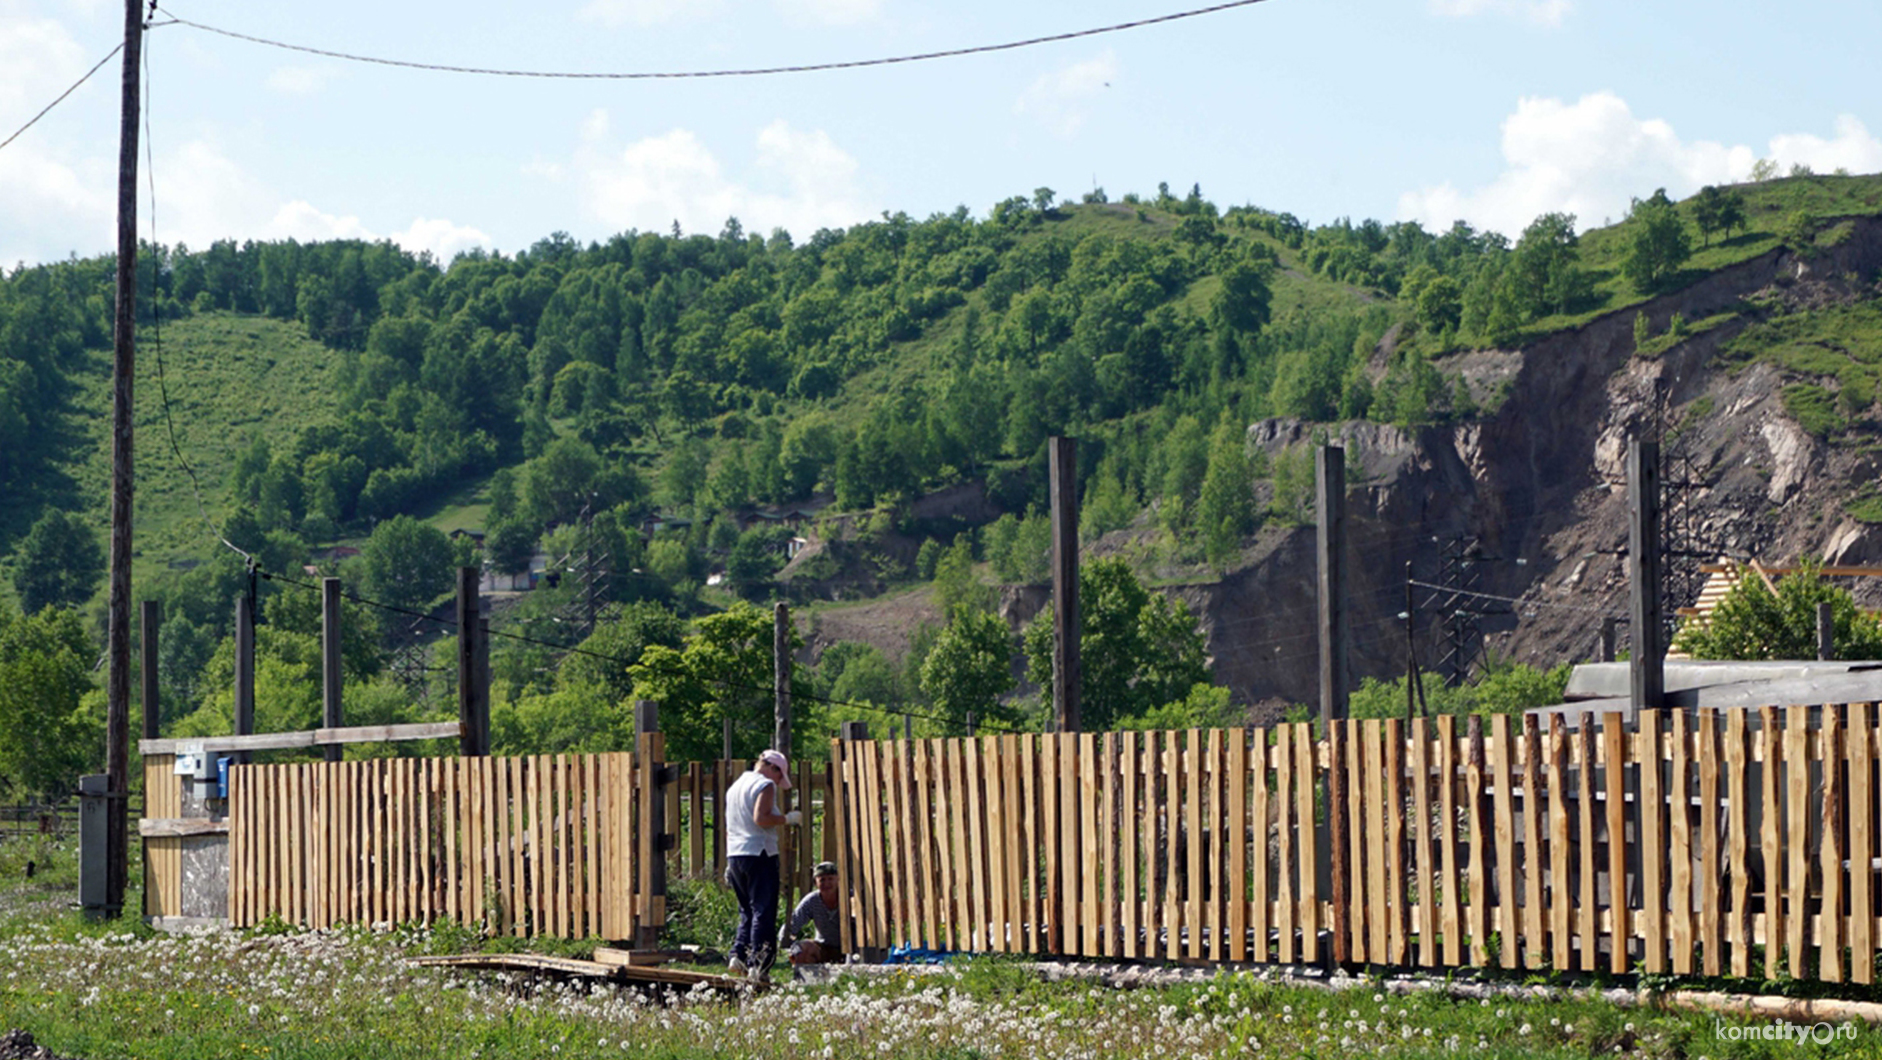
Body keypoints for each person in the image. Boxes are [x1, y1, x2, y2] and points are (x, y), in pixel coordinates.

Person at [724, 749, 800, 979]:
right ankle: (759, 964)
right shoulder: (764, 785)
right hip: (759, 852)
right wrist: (787, 819)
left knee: (746, 909)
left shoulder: (737, 786)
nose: (778, 782)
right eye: (779, 775)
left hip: (736, 854)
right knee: (763, 910)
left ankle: (738, 954)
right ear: (772, 768)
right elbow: (761, 817)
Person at [780, 861, 844, 970]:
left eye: (830, 879)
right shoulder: (812, 900)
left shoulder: (848, 898)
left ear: (838, 880)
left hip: (850, 949)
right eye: (822, 880)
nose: (827, 883)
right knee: (803, 949)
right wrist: (788, 943)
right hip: (823, 947)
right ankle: (805, 980)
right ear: (815, 883)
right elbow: (793, 923)